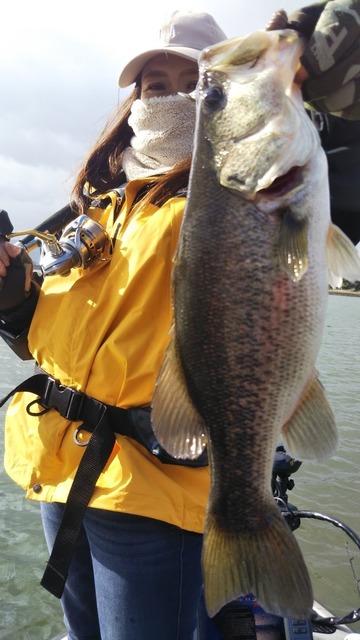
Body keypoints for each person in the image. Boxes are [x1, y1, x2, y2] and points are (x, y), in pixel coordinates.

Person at [0, 4, 360, 640]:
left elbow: (341, 167)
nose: (158, 93)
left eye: (193, 83)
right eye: (149, 83)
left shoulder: (247, 183)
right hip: (64, 474)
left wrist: (324, 81)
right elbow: (56, 336)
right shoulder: (108, 205)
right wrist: (13, 303)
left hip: (155, 490)